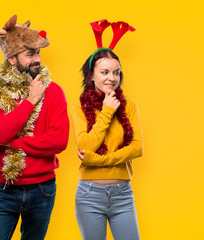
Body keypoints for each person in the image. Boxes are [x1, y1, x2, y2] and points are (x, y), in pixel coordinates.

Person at [0, 15, 69, 240]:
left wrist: (16, 143)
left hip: (42, 189)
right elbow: (0, 134)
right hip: (3, 189)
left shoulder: (54, 91)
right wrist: (30, 101)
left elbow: (59, 141)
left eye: (38, 53)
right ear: (11, 59)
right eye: (30, 54)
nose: (37, 59)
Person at [71, 19, 143, 240]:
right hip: (89, 195)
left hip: (123, 195)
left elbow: (137, 148)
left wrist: (99, 161)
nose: (112, 78)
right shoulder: (79, 108)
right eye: (104, 72)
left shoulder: (129, 106)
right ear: (92, 75)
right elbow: (85, 146)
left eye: (116, 72)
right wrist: (106, 112)